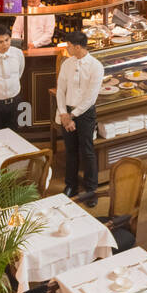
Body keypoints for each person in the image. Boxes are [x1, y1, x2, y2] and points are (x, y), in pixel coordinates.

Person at [56, 30, 104, 200]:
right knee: (70, 151)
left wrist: (72, 115)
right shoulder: (66, 64)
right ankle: (71, 186)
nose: (66, 48)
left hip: (85, 113)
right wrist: (63, 113)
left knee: (87, 151)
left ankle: (92, 191)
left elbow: (90, 98)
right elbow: (60, 90)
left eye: (68, 46)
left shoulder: (96, 67)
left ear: (77, 47)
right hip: (66, 112)